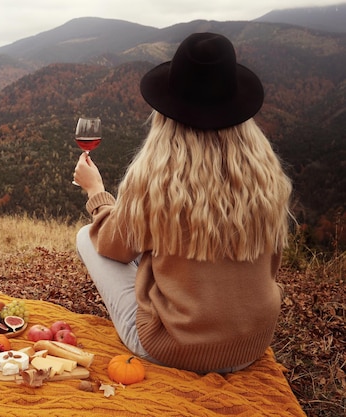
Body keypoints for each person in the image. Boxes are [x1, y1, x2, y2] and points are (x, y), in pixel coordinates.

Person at [73, 32, 293, 374]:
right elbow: (269, 268)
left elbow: (111, 246)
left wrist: (96, 193)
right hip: (250, 346)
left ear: (166, 112)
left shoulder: (154, 180)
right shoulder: (267, 178)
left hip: (173, 349)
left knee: (87, 236)